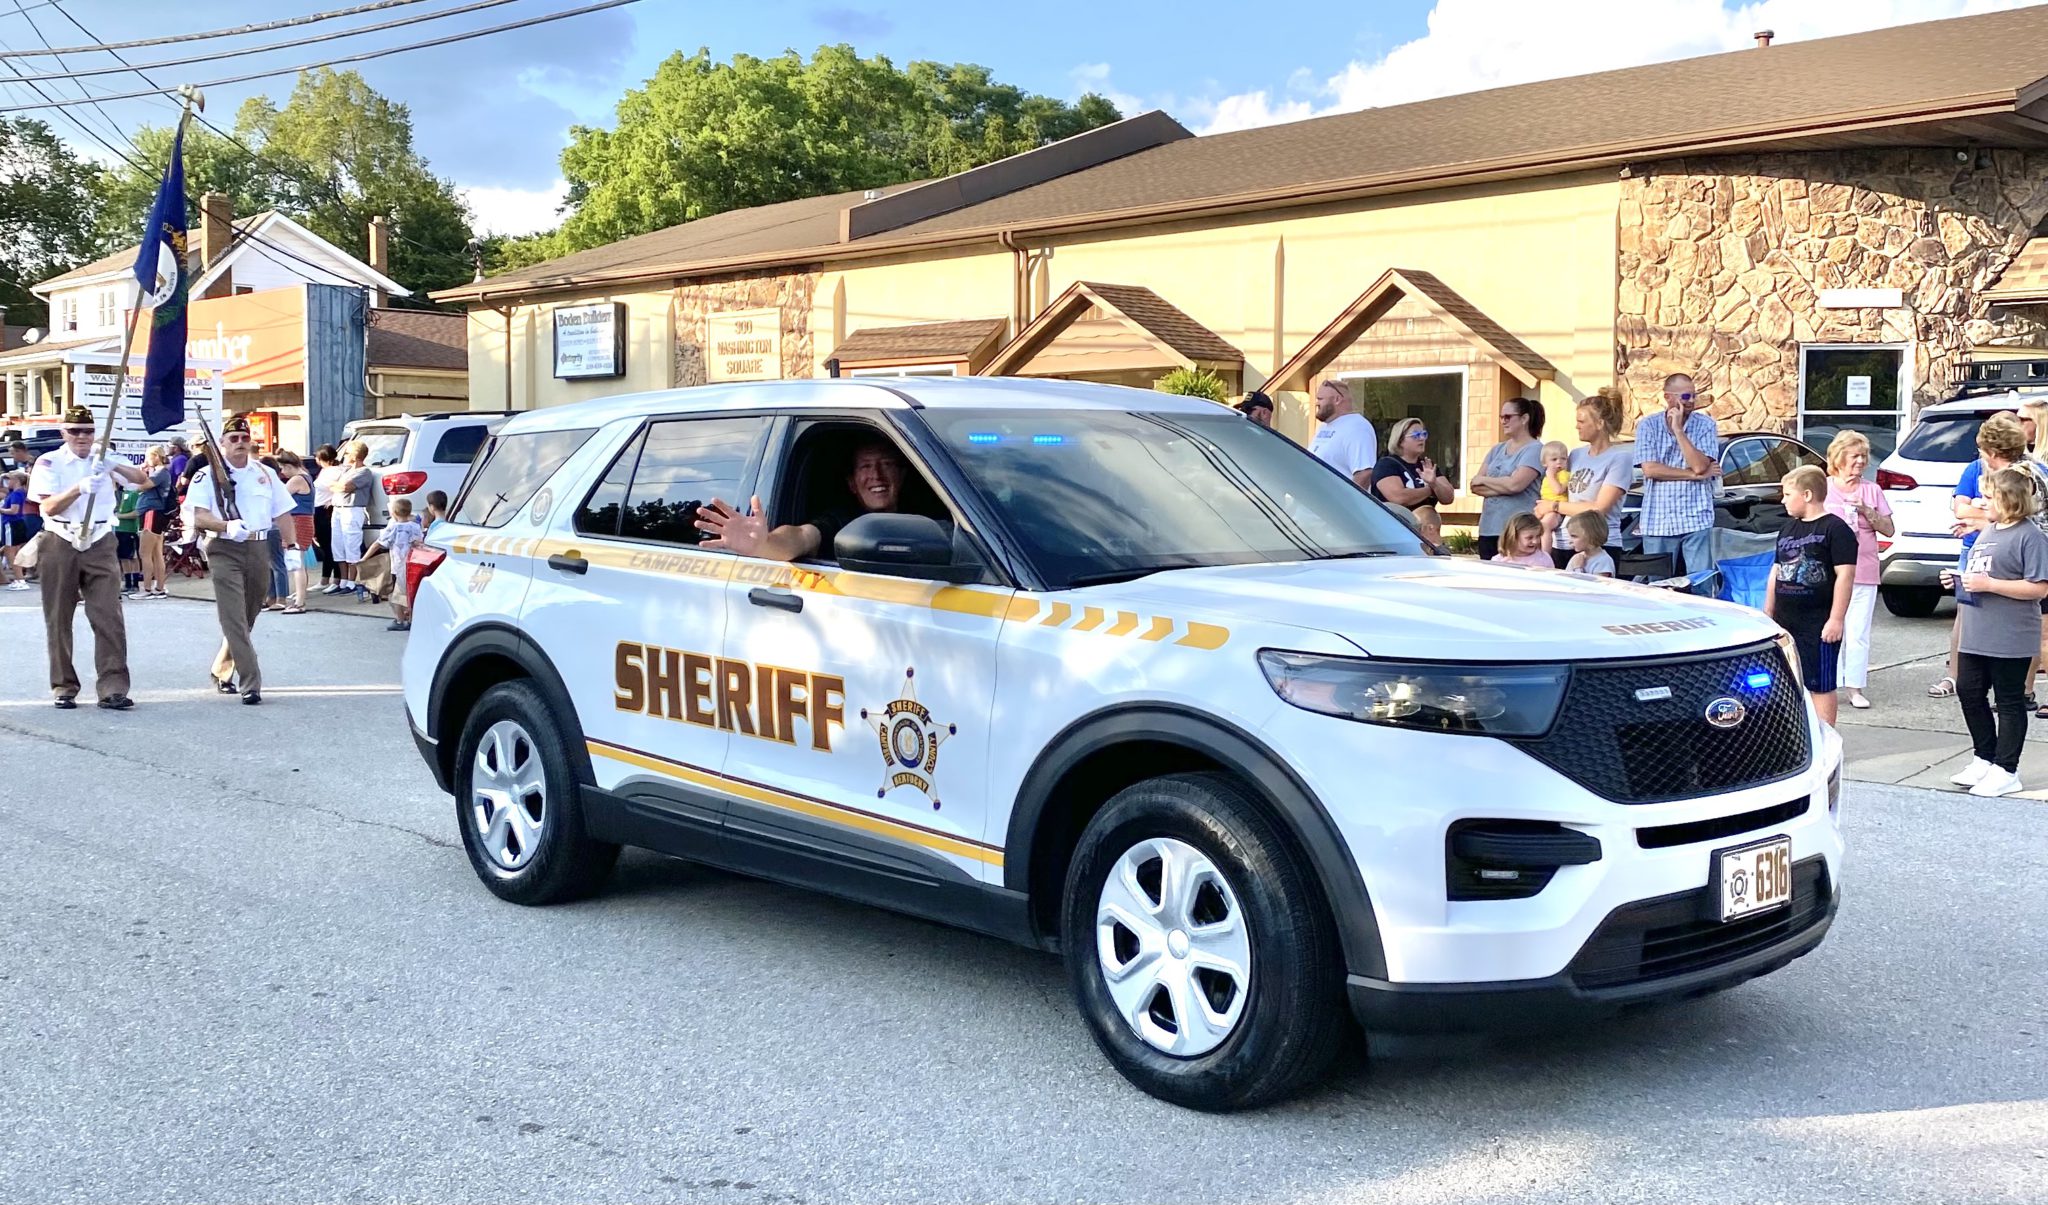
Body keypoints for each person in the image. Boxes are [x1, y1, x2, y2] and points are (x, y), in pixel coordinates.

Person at [27, 405, 148, 710]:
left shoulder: (103, 455)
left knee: (108, 615)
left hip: (99, 538)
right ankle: (64, 686)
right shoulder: (49, 462)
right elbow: (48, 507)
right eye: (75, 431)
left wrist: (111, 464)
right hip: (61, 538)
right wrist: (79, 488)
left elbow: (143, 481)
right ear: (63, 433)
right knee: (58, 617)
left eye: (88, 431)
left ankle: (113, 687)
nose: (82, 436)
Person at [1944, 467, 2048, 798]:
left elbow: (2039, 588)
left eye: (1988, 497)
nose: (1980, 501)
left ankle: (2007, 768)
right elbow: (1980, 571)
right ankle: (1984, 757)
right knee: (1969, 691)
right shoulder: (1989, 530)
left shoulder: (2030, 536)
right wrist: (1958, 579)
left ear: (2008, 500)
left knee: (2009, 700)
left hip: (2010, 634)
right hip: (1977, 630)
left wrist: (1990, 585)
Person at [186, 414, 297, 705]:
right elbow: (199, 514)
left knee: (248, 615)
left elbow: (282, 512)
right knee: (232, 617)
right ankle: (251, 682)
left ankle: (221, 668)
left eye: (244, 438)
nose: (239, 443)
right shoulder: (207, 476)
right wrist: (225, 526)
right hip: (223, 548)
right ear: (221, 443)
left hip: (258, 548)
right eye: (233, 438)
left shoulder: (265, 473)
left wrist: (293, 545)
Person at [1929, 414, 2042, 698]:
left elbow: (2022, 522)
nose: (1980, 456)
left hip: (2023, 557)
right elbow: (1974, 512)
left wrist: (1981, 523)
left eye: (1982, 450)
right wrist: (1982, 523)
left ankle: (2016, 691)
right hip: (1999, 549)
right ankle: (1980, 681)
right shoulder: (2024, 470)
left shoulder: (2022, 476)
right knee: (1972, 613)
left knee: (2021, 621)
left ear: (1992, 452)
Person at [696, 436, 912, 560]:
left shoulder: (934, 516)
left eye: (887, 464)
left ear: (902, 476)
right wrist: (764, 544)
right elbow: (801, 536)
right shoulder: (839, 522)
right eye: (866, 466)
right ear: (852, 483)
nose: (877, 475)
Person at [1765, 465, 1858, 727]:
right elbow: (1777, 570)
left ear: (1806, 494)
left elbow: (1845, 576)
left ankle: (1826, 737)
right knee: (1788, 680)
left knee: (1820, 683)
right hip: (1786, 620)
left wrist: (1836, 619)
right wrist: (1768, 611)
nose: (1783, 500)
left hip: (1818, 623)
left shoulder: (1835, 529)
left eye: (1787, 494)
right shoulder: (1787, 530)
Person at [1822, 431, 1895, 711]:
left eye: (1864, 456)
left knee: (1858, 631)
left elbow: (1889, 529)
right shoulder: (1824, 488)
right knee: (1828, 627)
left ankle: (1854, 687)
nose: (1861, 461)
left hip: (1863, 568)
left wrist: (1867, 511)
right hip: (1830, 570)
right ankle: (1827, 683)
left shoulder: (1871, 490)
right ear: (1839, 458)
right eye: (1855, 456)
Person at [1633, 371, 1722, 577]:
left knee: (1701, 582)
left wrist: (1679, 431)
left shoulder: (1706, 425)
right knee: (1657, 587)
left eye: (1693, 395)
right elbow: (1651, 470)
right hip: (1658, 520)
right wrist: (1693, 476)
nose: (1691, 401)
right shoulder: (1648, 425)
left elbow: (1700, 465)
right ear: (1668, 397)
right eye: (1685, 396)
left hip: (1696, 518)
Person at [1542, 388, 1634, 570]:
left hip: (1599, 544)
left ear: (1600, 423)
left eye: (1582, 421)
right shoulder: (1575, 455)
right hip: (1564, 541)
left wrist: (1553, 506)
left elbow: (1599, 508)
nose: (1577, 426)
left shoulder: (1619, 459)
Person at [1469, 396, 1546, 560]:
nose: (1503, 421)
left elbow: (1515, 485)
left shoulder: (1535, 449)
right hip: (1489, 528)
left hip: (1517, 533)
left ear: (1524, 418)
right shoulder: (1497, 449)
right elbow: (1475, 485)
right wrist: (1504, 485)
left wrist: (1485, 480)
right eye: (1501, 417)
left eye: (1508, 417)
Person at [1370, 418, 1455, 543]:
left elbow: (1448, 497)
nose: (1422, 439)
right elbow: (1399, 497)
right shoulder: (1387, 465)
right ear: (1400, 441)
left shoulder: (1427, 465)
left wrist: (1434, 483)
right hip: (1394, 534)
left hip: (1427, 535)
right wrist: (1431, 489)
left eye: (1423, 434)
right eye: (1416, 435)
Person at [363, 497, 425, 631]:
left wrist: (364, 558)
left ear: (394, 513)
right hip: (412, 564)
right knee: (411, 593)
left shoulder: (392, 528)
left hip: (398, 565)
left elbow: (377, 544)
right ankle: (411, 620)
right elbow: (419, 542)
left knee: (394, 595)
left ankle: (399, 620)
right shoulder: (415, 527)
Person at [1307, 379, 1376, 489]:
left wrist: (1346, 503)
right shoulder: (1324, 427)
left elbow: (1364, 473)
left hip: (1334, 504)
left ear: (1337, 399)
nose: (1316, 403)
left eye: (1320, 399)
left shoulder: (1357, 427)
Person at [331, 441, 372, 598]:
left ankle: (352, 581)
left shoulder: (364, 472)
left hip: (352, 509)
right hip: (338, 508)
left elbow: (346, 487)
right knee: (338, 545)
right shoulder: (346, 471)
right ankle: (343, 580)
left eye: (347, 453)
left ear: (355, 456)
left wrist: (337, 486)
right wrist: (337, 485)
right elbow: (334, 486)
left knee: (351, 544)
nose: (345, 456)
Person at [276, 450, 314, 613]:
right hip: (304, 520)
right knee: (299, 562)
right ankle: (300, 598)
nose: (282, 473)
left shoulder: (297, 479)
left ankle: (299, 602)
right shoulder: (306, 476)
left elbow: (279, 498)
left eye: (283, 469)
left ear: (289, 466)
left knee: (297, 562)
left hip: (298, 521)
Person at [135, 444, 172, 599]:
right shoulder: (161, 472)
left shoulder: (160, 473)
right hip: (157, 513)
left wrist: (140, 473)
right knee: (157, 553)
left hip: (151, 512)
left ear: (156, 456)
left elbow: (141, 486)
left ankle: (147, 589)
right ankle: (160, 588)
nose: (146, 460)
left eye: (148, 456)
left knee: (145, 553)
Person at [311, 444, 342, 593]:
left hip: (325, 509)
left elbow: (337, 487)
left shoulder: (335, 471)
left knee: (329, 546)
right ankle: (325, 578)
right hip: (319, 508)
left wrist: (332, 500)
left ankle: (335, 578)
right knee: (325, 545)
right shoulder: (327, 471)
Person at [1535, 440, 1571, 545]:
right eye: (1554, 459)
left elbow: (1558, 490)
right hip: (1545, 506)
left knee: (1544, 526)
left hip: (1557, 510)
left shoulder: (1564, 474)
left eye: (1563, 459)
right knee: (1530, 526)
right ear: (1544, 463)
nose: (1559, 462)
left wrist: (1551, 476)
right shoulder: (1547, 476)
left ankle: (1545, 554)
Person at [1, 470, 30, 589]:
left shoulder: (17, 494)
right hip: (16, 524)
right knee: (16, 552)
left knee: (10, 553)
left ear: (16, 481)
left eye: (10, 480)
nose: (8, 482)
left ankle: (20, 579)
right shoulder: (19, 492)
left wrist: (1, 510)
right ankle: (19, 579)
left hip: (11, 524)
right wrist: (3, 476)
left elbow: (14, 510)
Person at [114, 482, 143, 598]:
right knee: (123, 557)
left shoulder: (134, 494)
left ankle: (135, 584)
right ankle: (128, 583)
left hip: (129, 530)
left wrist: (119, 516)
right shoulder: (122, 494)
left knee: (133, 557)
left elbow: (136, 513)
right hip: (119, 529)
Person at [1565, 511, 1615, 577]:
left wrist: (1578, 569)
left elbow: (1594, 586)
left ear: (1590, 537)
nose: (1570, 541)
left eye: (1574, 536)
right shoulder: (1576, 558)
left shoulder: (1603, 561)